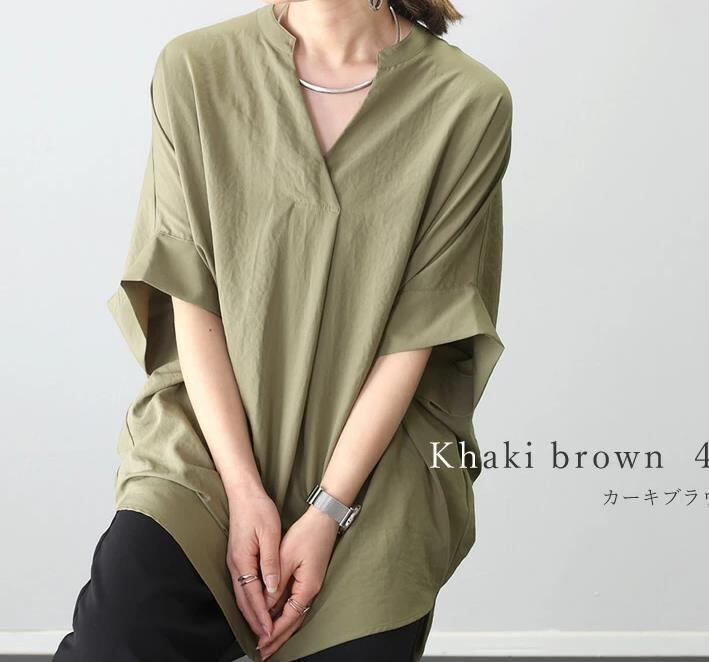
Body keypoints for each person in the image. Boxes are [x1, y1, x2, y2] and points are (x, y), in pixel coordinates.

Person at [53, 1, 513, 660]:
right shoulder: (196, 69)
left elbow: (421, 328)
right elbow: (191, 294)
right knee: (117, 638)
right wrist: (243, 490)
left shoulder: (468, 102)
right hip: (211, 437)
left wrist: (329, 510)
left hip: (376, 461)